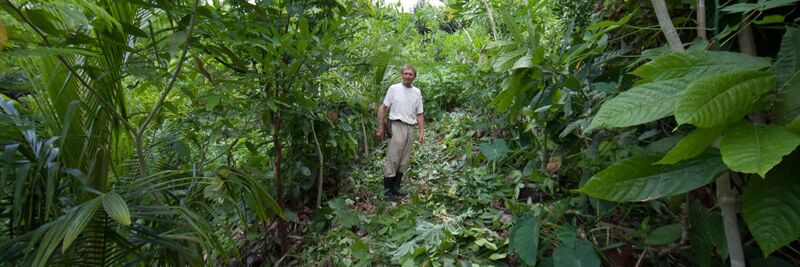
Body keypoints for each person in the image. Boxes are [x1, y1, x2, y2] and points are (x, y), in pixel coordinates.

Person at [376, 65, 425, 199]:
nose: (408, 76)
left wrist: (421, 131)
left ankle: (396, 187)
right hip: (396, 125)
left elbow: (419, 113)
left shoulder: (417, 92)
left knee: (404, 159)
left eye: (410, 74)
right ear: (402, 74)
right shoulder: (394, 88)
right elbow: (383, 108)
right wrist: (380, 127)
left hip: (410, 127)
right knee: (394, 157)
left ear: (414, 76)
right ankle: (387, 191)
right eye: (405, 74)